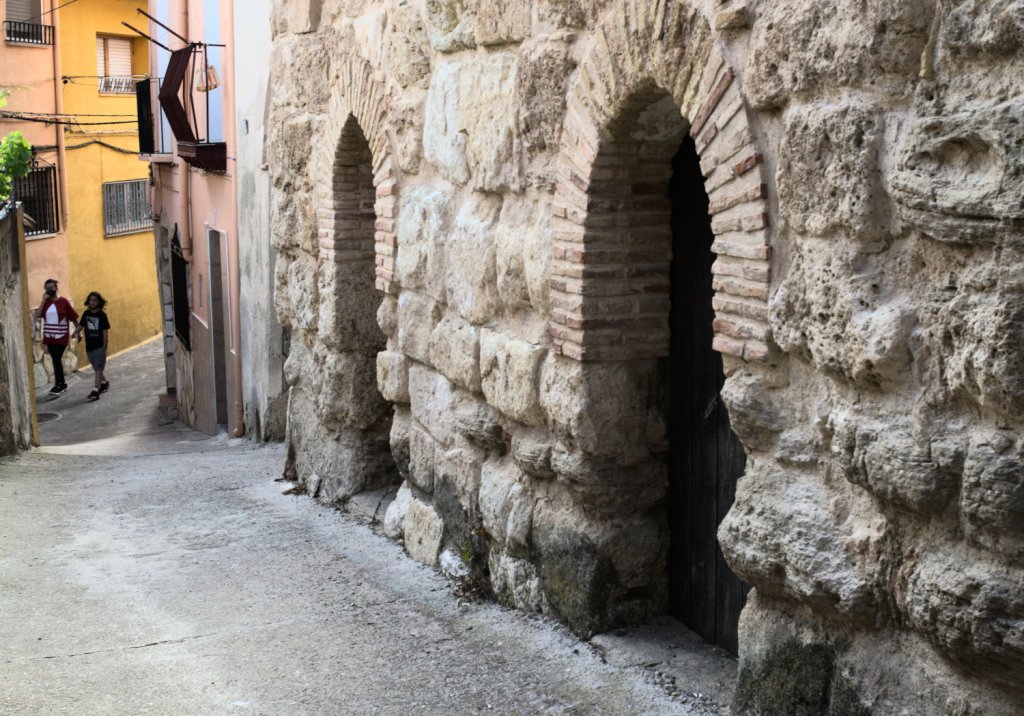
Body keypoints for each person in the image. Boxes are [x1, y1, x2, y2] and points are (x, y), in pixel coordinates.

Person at [33, 279, 78, 395]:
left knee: (56, 359)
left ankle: (60, 384)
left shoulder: (63, 302)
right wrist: (43, 300)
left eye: (51, 288)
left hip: (61, 336)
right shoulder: (46, 302)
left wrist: (78, 331)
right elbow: (38, 315)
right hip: (49, 336)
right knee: (55, 360)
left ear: (56, 288)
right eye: (47, 288)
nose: (49, 290)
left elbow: (73, 317)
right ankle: (60, 384)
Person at [72, 292, 110, 401]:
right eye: (91, 300)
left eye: (95, 300)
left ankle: (95, 390)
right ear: (88, 302)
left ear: (99, 302)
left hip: (99, 346)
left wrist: (104, 346)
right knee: (96, 367)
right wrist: (75, 332)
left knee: (98, 367)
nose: (92, 302)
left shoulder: (102, 315)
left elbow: (105, 332)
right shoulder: (86, 313)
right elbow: (81, 325)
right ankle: (104, 383)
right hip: (90, 346)